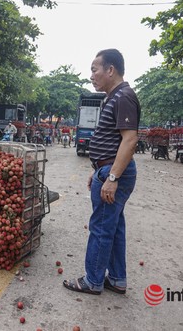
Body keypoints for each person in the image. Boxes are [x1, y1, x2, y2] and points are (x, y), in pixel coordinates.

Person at [63, 49, 140, 295]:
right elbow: (113, 141)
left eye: (95, 69)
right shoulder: (113, 97)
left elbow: (130, 140)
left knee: (101, 228)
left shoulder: (123, 96)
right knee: (114, 227)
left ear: (110, 70)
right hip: (107, 169)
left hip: (115, 172)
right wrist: (99, 170)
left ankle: (93, 280)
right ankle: (117, 279)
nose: (91, 75)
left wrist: (112, 177)